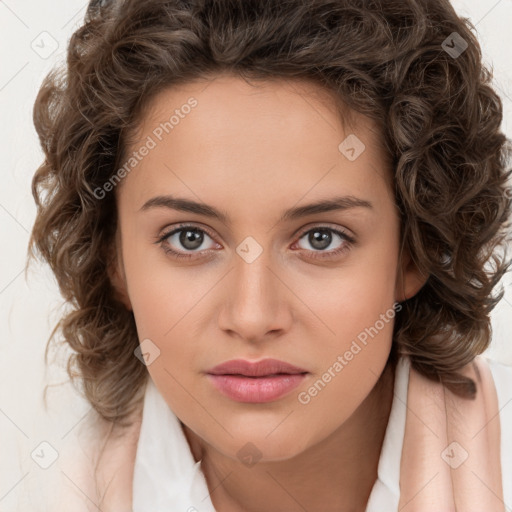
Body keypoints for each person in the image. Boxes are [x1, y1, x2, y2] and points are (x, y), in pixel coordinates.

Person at [26, 0, 512, 510]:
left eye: (321, 238)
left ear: (414, 253)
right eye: (189, 238)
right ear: (114, 260)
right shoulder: (41, 488)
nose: (253, 317)